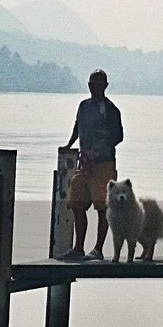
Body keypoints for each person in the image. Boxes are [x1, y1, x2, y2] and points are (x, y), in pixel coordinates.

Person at [61, 69, 123, 260]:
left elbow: (118, 137)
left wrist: (100, 147)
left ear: (105, 86)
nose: (93, 87)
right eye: (91, 83)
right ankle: (78, 248)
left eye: (98, 84)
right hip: (84, 164)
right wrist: (69, 145)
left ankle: (98, 249)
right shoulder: (83, 106)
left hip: (104, 164)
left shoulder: (110, 109)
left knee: (102, 207)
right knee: (77, 203)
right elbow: (77, 127)